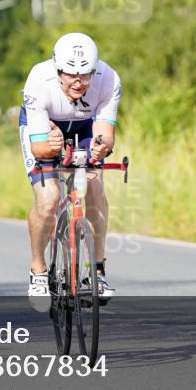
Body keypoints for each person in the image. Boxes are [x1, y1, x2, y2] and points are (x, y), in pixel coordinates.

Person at [19, 32, 121, 310]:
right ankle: (38, 270)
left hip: (85, 127)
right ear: (57, 69)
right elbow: (39, 149)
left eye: (85, 75)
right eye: (70, 75)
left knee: (96, 188)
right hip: (46, 129)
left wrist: (102, 148)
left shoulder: (108, 79)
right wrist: (50, 148)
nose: (78, 82)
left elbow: (105, 134)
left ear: (95, 69)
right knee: (49, 198)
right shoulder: (39, 80)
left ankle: (98, 272)